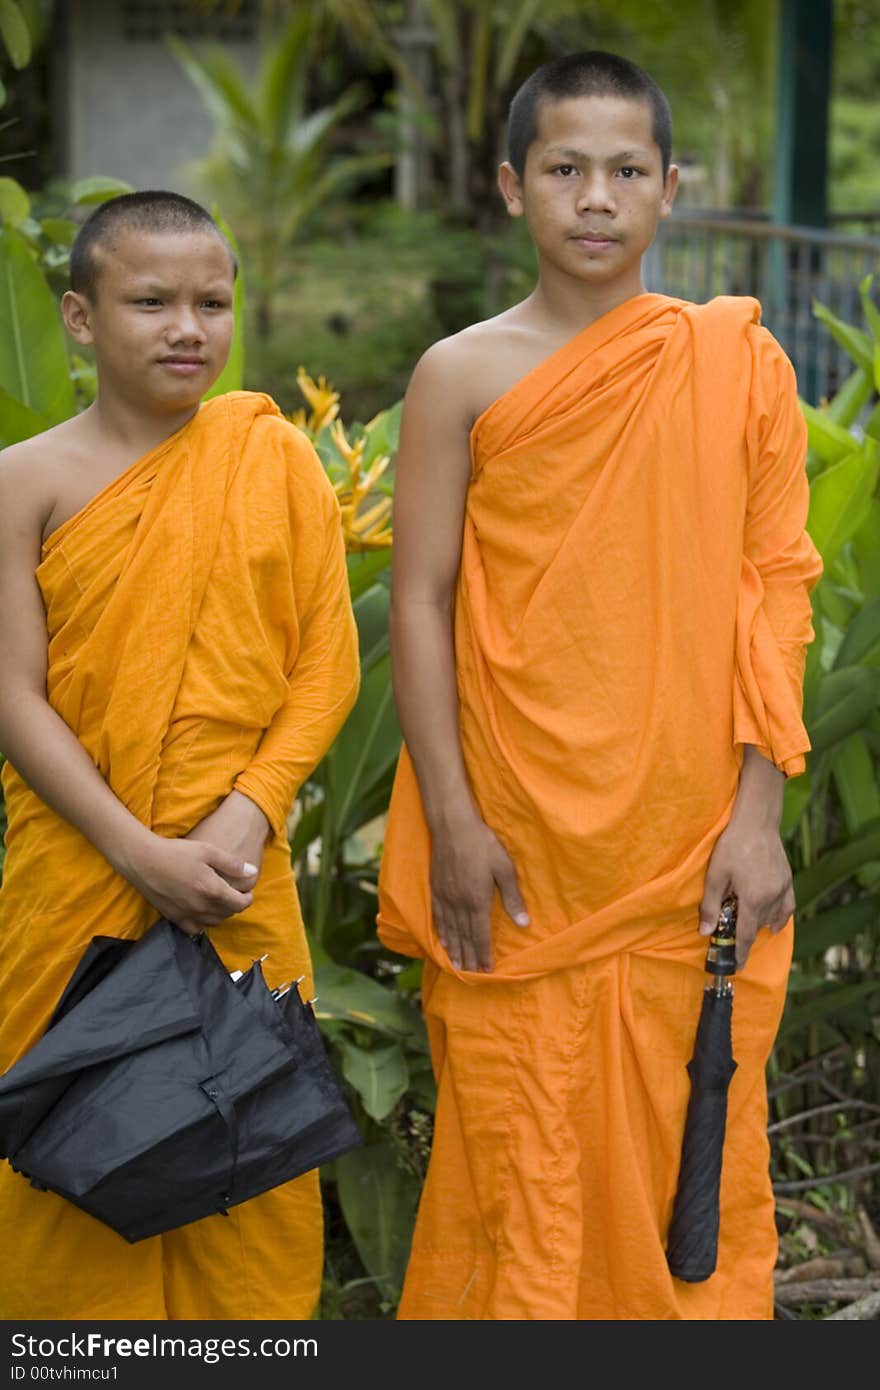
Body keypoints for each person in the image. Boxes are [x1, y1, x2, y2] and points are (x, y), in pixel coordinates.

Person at [377, 51, 823, 1319]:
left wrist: (755, 815)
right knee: (517, 1167)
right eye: (565, 170)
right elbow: (417, 599)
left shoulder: (736, 365)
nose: (595, 197)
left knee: (681, 1175)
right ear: (513, 186)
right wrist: (453, 822)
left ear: (670, 190)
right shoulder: (458, 375)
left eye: (626, 170)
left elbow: (772, 590)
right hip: (516, 848)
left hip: (685, 847)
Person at [0, 191, 359, 1319]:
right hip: (74, 873)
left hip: (232, 880)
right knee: (69, 1146)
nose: (186, 327)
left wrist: (244, 815)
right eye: (149, 301)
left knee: (248, 1158)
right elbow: (12, 693)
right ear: (78, 314)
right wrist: (135, 849)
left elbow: (327, 669)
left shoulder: (271, 457)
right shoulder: (26, 477)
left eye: (211, 301)